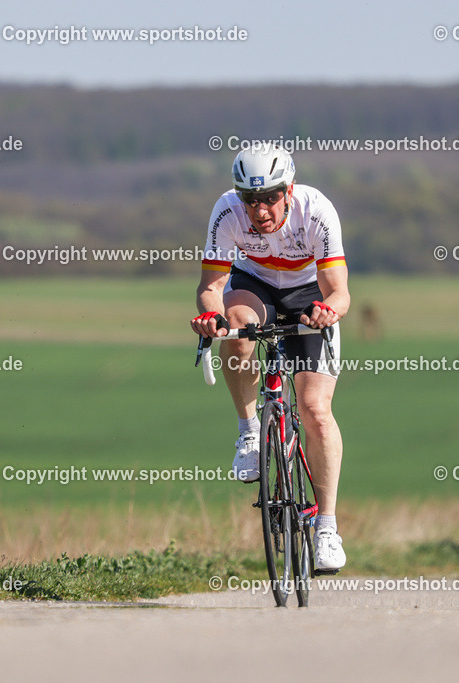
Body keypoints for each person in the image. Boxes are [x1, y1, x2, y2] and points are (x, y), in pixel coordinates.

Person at [190, 145, 350, 571]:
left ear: (289, 190)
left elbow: (339, 290)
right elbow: (211, 286)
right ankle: (248, 430)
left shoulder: (316, 211)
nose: (259, 210)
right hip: (254, 284)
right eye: (250, 199)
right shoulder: (226, 212)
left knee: (316, 412)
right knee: (237, 331)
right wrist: (211, 316)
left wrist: (328, 311)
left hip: (308, 294)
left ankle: (327, 527)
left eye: (269, 198)